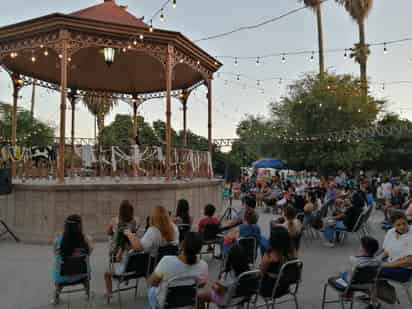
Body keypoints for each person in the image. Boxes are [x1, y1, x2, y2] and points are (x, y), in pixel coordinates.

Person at [147, 232, 208, 309]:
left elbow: (152, 282)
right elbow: (201, 284)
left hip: (165, 304)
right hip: (188, 302)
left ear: (182, 244)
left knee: (152, 291)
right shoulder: (203, 265)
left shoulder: (166, 261)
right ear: (199, 249)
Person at [53, 215, 93, 286]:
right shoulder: (85, 240)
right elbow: (88, 253)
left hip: (62, 277)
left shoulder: (58, 240)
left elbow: (56, 254)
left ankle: (59, 289)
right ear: (79, 226)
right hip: (82, 275)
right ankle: (86, 287)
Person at [260, 226, 296, 298]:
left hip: (269, 291)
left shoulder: (269, 256)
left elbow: (261, 275)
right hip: (285, 288)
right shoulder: (291, 253)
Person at [380, 212, 412, 283]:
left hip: (405, 270)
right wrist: (377, 260)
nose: (402, 227)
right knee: (367, 267)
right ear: (393, 225)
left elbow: (409, 261)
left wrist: (386, 265)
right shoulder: (391, 232)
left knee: (373, 271)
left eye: (404, 223)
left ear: (407, 222)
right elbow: (386, 251)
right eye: (398, 225)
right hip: (391, 262)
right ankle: (381, 292)